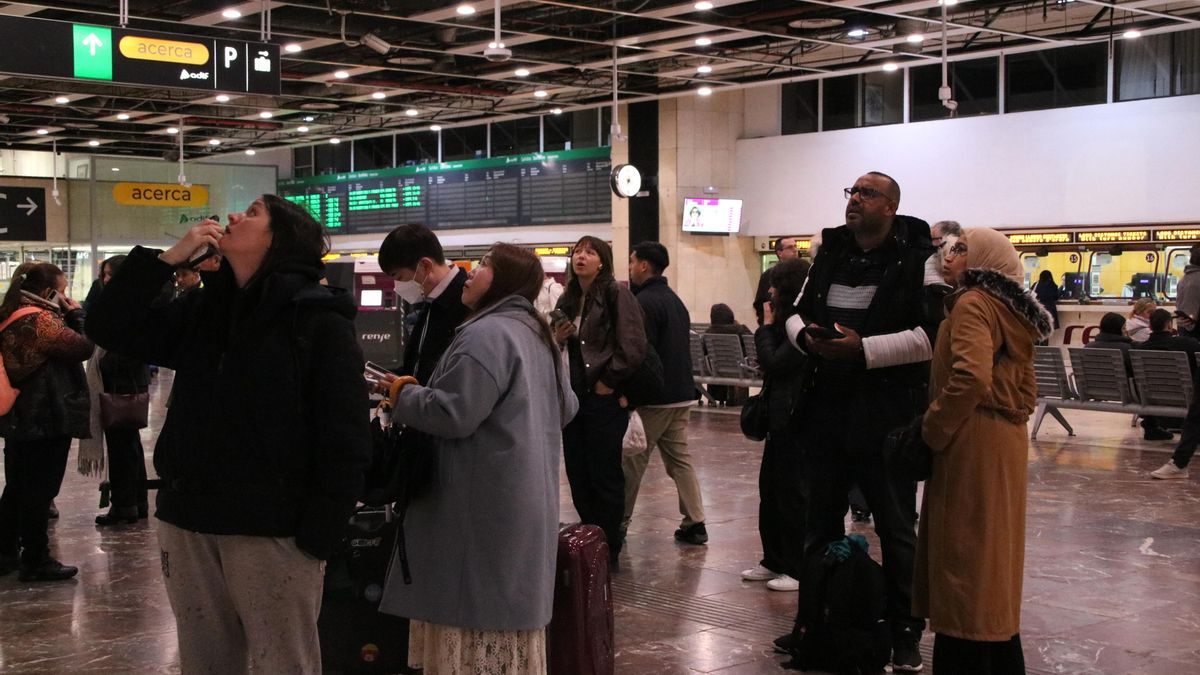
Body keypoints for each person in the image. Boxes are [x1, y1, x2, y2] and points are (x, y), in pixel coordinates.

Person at [85, 196, 371, 672]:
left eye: (253, 212)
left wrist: (317, 537)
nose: (234, 217)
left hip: (273, 528)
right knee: (204, 660)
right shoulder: (204, 310)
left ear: (280, 240)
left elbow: (345, 438)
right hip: (188, 518)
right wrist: (167, 260)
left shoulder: (316, 322)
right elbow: (109, 326)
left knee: (284, 662)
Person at [379, 243, 577, 673]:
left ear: (504, 279)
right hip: (523, 498)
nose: (470, 271)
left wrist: (403, 395)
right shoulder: (537, 331)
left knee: (470, 622)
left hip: (478, 504)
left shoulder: (485, 334)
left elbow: (454, 413)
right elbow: (567, 407)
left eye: (484, 264)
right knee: (506, 621)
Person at [786, 171, 937, 672]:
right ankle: (812, 620)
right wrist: (807, 338)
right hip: (827, 408)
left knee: (896, 528)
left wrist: (863, 351)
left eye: (866, 194)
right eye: (850, 192)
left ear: (891, 206)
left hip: (887, 414)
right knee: (818, 524)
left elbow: (931, 337)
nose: (854, 200)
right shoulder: (831, 250)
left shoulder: (920, 258)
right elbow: (796, 311)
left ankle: (904, 633)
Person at [916, 228, 1051, 675]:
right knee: (995, 557)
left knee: (964, 557)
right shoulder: (1012, 311)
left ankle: (966, 656)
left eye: (960, 250)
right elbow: (1028, 389)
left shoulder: (973, 303)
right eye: (947, 248)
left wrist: (934, 426)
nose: (948, 256)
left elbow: (970, 376)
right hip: (1005, 442)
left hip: (970, 440)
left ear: (984, 262)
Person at [554, 235, 646, 568]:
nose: (582, 256)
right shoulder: (567, 299)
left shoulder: (614, 294)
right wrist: (556, 337)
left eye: (590, 252)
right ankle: (592, 540)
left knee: (603, 473)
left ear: (602, 261)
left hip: (601, 398)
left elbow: (633, 345)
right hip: (573, 399)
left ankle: (609, 547)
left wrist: (610, 381)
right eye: (578, 251)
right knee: (578, 474)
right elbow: (561, 347)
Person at [0, 262, 93, 582]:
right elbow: (82, 347)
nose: (65, 297)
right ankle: (36, 558)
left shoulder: (11, 312)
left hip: (19, 416)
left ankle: (6, 552)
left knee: (17, 487)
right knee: (39, 489)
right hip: (44, 416)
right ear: (49, 292)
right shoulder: (39, 320)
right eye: (63, 292)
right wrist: (77, 314)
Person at [622, 242, 706, 545]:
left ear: (644, 265)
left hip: (655, 398)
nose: (630, 267)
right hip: (682, 393)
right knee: (679, 459)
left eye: (632, 262)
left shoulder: (642, 301)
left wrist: (629, 393)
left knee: (632, 459)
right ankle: (695, 521)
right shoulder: (675, 300)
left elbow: (641, 353)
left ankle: (619, 523)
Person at [742, 257, 810, 593]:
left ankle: (796, 566)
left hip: (797, 421)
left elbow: (775, 362)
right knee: (769, 491)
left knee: (792, 495)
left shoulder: (801, 325)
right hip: (778, 420)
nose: (769, 291)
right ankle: (773, 559)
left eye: (774, 285)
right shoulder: (784, 323)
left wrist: (766, 328)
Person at [88, 255, 153, 525]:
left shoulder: (131, 306)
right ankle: (134, 502)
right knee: (129, 447)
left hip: (123, 386)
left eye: (110, 275)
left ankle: (125, 505)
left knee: (123, 449)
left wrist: (106, 359)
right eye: (103, 274)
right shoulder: (122, 304)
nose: (105, 280)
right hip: (122, 383)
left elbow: (131, 347)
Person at [378, 224, 470, 386]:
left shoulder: (467, 303)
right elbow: (418, 367)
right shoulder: (430, 302)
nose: (398, 286)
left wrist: (408, 392)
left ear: (425, 266)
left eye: (399, 277)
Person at [704, 303, 752, 405]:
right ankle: (738, 400)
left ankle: (717, 398)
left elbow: (704, 351)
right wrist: (738, 326)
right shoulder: (740, 330)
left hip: (717, 370)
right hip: (739, 369)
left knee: (715, 361)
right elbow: (752, 344)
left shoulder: (708, 332)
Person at [753, 236, 799, 326]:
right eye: (790, 247)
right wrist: (766, 322)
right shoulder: (768, 275)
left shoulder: (803, 272)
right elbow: (759, 303)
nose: (795, 250)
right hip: (774, 326)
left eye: (795, 246)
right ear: (780, 253)